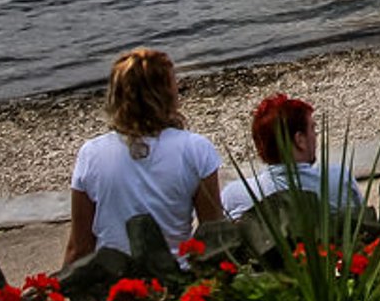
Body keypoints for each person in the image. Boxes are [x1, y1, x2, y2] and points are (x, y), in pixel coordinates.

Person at [65, 48, 224, 265]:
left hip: (114, 284)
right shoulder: (195, 149)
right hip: (178, 278)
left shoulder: (91, 154)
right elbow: (213, 232)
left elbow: (80, 246)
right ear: (166, 93)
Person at [220, 93, 363, 220]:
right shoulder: (338, 180)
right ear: (300, 140)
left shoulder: (235, 196)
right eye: (312, 128)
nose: (316, 136)